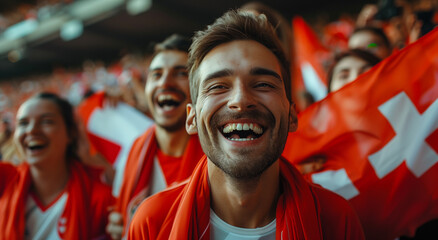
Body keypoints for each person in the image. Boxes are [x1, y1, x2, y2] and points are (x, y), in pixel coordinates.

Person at [128, 10, 365, 239]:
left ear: (292, 115)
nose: (240, 100)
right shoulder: (152, 222)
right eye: (218, 86)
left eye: (263, 84)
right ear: (191, 119)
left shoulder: (337, 220)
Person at [106, 34, 204, 240]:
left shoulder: (221, 160)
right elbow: (119, 219)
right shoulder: (133, 152)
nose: (165, 83)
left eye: (181, 73)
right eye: (156, 74)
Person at [0, 92, 114, 239]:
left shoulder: (99, 199)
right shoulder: (5, 180)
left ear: (71, 132)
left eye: (46, 121)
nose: (31, 130)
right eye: (23, 123)